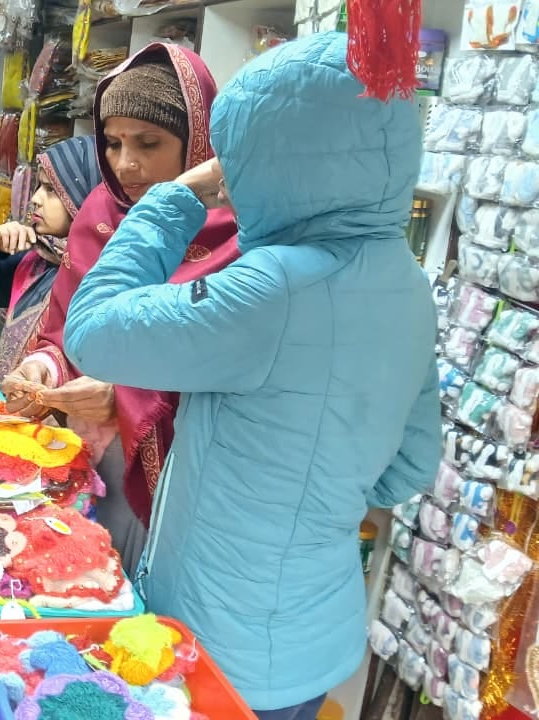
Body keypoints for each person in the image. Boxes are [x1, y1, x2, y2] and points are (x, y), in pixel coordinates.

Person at [62, 32, 436, 718]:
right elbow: (408, 468)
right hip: (317, 635)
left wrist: (176, 197)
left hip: (223, 644)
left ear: (276, 157)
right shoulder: (408, 287)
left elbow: (92, 332)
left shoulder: (274, 289)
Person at [0, 44, 240, 573]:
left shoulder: (239, 238)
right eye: (111, 143)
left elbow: (223, 371)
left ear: (198, 143)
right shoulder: (99, 214)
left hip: (175, 472)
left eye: (149, 143)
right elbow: (65, 326)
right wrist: (42, 368)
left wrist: (121, 396)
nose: (125, 163)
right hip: (83, 452)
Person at [0, 135, 102, 383]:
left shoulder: (101, 278)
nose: (35, 198)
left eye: (51, 190)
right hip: (14, 415)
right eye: (39, 186)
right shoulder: (35, 264)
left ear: (85, 196)